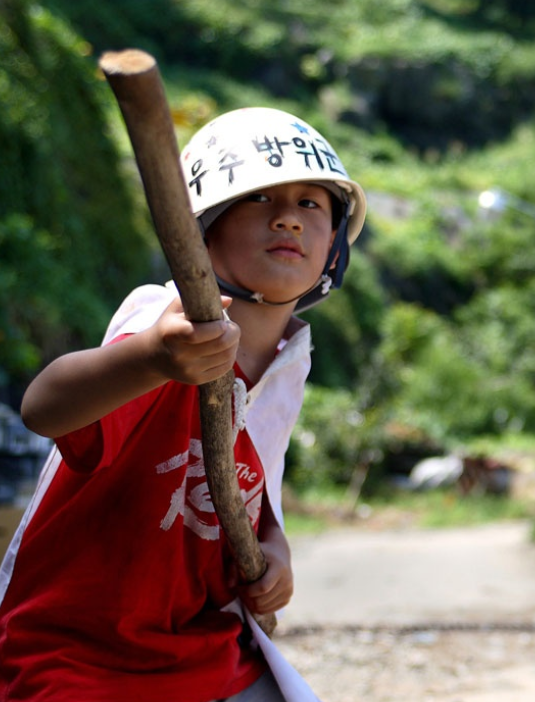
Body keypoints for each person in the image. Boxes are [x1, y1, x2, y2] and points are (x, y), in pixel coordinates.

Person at [0, 107, 366, 702]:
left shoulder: (289, 360)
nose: (288, 220)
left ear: (335, 247)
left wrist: (274, 547)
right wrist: (150, 359)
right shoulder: (163, 323)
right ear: (203, 230)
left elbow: (255, 483)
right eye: (258, 199)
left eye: (310, 204)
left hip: (201, 650)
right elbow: (44, 407)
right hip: (76, 651)